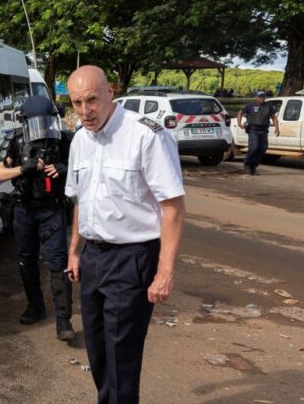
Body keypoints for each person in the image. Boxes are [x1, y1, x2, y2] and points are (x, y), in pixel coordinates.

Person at [65, 66, 185, 404]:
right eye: (76, 103)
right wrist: (75, 251)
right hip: (92, 257)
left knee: (122, 354)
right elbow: (80, 200)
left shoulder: (146, 135)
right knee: (98, 350)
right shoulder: (79, 139)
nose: (85, 111)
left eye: (91, 100)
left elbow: (173, 207)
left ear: (110, 92)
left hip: (132, 258)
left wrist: (165, 272)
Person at [0, 96, 76, 342]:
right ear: (25, 122)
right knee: (26, 261)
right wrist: (24, 168)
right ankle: (35, 306)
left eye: (47, 122)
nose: (43, 129)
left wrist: (65, 169)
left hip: (52, 209)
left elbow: (84, 169)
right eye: (36, 123)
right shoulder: (16, 140)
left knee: (58, 263)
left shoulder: (64, 140)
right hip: (24, 209)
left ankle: (63, 319)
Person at [237, 91, 279, 175]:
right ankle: (247, 164)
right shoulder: (250, 105)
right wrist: (239, 123)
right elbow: (240, 113)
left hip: (263, 130)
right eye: (260, 97)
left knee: (263, 148)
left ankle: (253, 166)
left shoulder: (268, 106)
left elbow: (274, 117)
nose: (262, 98)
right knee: (254, 147)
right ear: (256, 97)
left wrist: (277, 128)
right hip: (253, 129)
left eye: (263, 96)